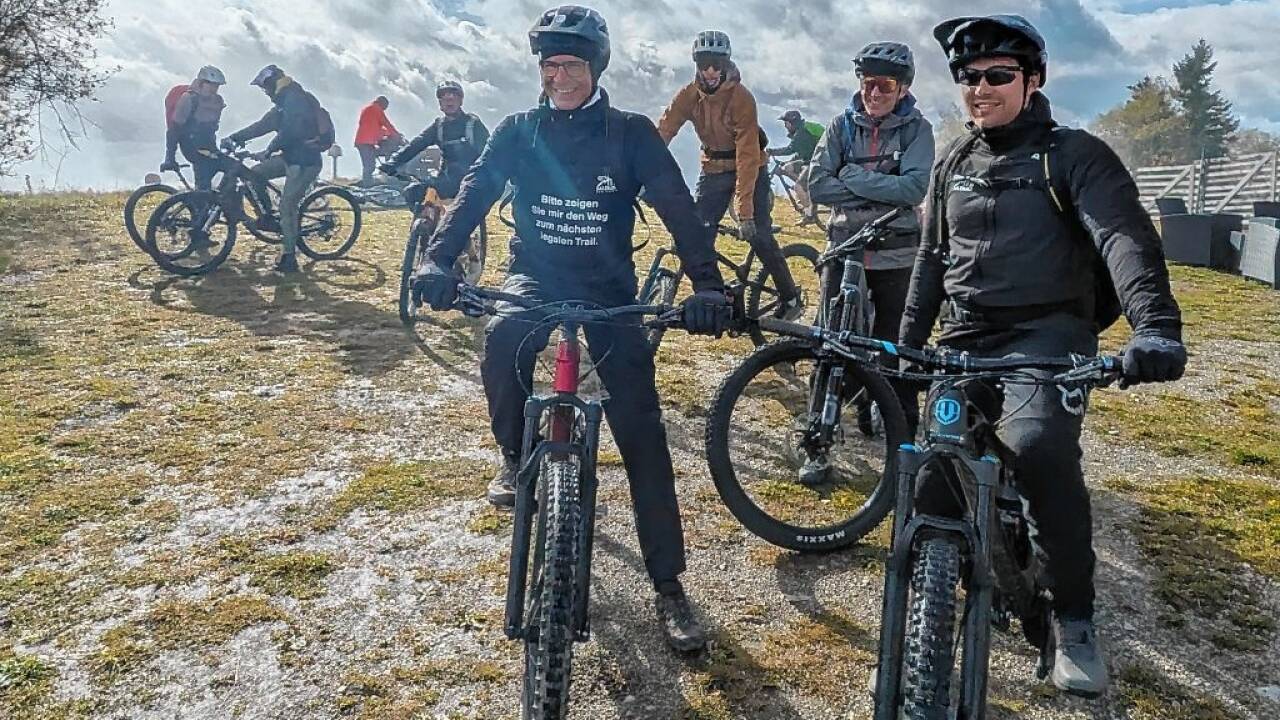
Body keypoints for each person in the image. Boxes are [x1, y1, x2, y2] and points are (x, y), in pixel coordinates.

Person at [409, 5, 729, 653]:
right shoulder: (518, 131)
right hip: (535, 279)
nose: (558, 75)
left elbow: (677, 207)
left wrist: (709, 285)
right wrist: (437, 261)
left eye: (571, 64)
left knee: (642, 431)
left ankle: (668, 585)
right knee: (501, 340)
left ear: (595, 68)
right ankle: (511, 453)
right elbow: (473, 193)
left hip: (609, 293)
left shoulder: (631, 134)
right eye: (550, 64)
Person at [899, 15, 1187, 697]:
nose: (981, 88)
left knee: (1040, 450)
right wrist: (908, 346)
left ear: (1033, 81)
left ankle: (1074, 620)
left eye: (998, 75)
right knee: (933, 474)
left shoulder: (1076, 155)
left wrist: (1156, 327)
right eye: (969, 77)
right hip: (966, 337)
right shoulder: (953, 162)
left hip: (1050, 337)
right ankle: (937, 596)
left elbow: (1124, 240)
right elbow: (931, 260)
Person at [805, 41, 934, 466]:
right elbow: (818, 184)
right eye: (867, 83)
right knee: (830, 342)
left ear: (902, 89)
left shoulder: (919, 130)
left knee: (897, 348)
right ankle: (817, 442)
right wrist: (883, 190)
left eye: (885, 84)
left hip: (898, 255)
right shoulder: (840, 126)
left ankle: (905, 446)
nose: (873, 92)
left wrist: (853, 175)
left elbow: (913, 189)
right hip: (845, 249)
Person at [657, 30, 803, 320]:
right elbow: (663, 131)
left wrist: (745, 213)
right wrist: (640, 170)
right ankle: (716, 293)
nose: (710, 71)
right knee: (697, 235)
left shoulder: (742, 98)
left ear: (726, 65)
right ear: (696, 64)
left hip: (749, 168)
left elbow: (748, 157)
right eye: (704, 63)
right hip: (712, 167)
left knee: (759, 234)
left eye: (717, 64)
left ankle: (790, 298)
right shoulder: (688, 95)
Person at [222, 65, 330, 273]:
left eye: (264, 88)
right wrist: (234, 138)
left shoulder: (295, 100)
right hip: (290, 157)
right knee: (255, 175)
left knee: (287, 206)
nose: (265, 93)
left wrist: (268, 150)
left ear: (271, 84)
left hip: (306, 162)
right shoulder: (283, 103)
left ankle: (289, 257)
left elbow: (290, 131)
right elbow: (261, 126)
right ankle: (267, 215)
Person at [380, 80, 490, 204]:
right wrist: (392, 163)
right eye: (445, 98)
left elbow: (490, 153)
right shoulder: (439, 127)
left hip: (471, 181)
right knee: (412, 192)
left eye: (454, 97)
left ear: (461, 102)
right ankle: (428, 220)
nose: (450, 100)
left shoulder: (473, 124)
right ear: (440, 104)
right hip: (445, 180)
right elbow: (416, 144)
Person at [162, 66, 227, 191]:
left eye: (217, 86)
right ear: (202, 83)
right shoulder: (188, 99)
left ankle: (214, 203)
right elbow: (174, 130)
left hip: (208, 146)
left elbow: (211, 130)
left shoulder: (217, 101)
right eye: (211, 85)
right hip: (190, 145)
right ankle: (201, 206)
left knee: (232, 169)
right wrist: (170, 157)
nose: (214, 89)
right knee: (203, 180)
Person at [766, 109, 823, 223]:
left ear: (792, 122)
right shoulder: (801, 131)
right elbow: (800, 153)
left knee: (798, 187)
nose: (785, 126)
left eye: (786, 123)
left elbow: (790, 149)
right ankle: (805, 192)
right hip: (808, 160)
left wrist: (772, 151)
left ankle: (809, 215)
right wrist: (786, 163)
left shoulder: (802, 134)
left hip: (818, 163)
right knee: (787, 168)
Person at [353, 95, 403, 186]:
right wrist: (397, 136)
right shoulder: (376, 109)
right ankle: (367, 187)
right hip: (366, 142)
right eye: (385, 107)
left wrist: (387, 133)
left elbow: (374, 127)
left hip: (363, 141)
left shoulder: (367, 109)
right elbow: (386, 124)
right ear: (382, 104)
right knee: (369, 166)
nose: (384, 110)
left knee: (369, 165)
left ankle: (368, 184)